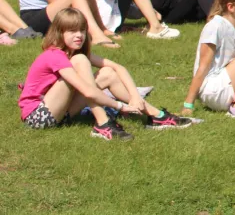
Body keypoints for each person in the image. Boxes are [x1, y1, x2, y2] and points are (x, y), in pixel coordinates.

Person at [18, 8, 194, 138]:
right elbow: (87, 91)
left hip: (60, 112)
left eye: (82, 30)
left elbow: (118, 68)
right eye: (72, 31)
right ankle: (103, 124)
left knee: (107, 72)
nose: (79, 35)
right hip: (38, 117)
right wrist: (120, 106)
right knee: (81, 62)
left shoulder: (74, 53)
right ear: (59, 33)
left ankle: (156, 116)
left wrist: (135, 97)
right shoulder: (56, 55)